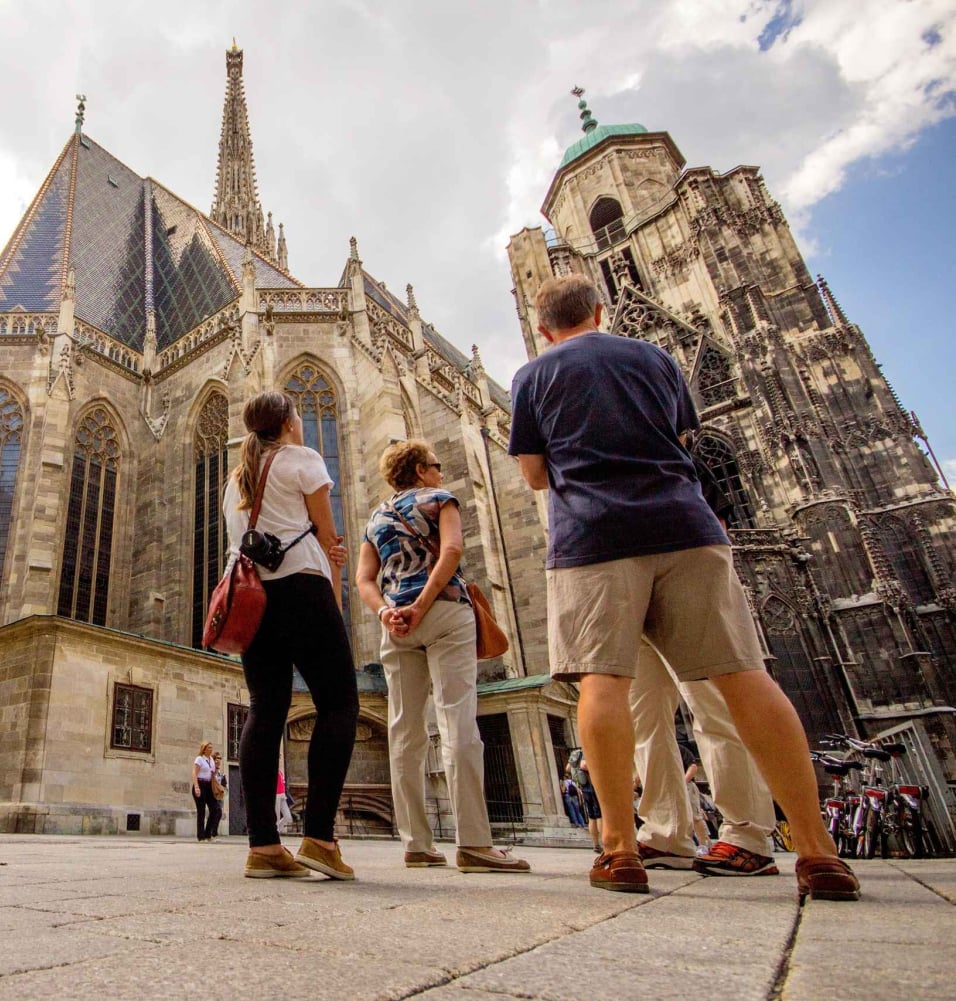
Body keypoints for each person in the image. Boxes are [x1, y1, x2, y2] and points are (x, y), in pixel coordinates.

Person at [508, 274, 857, 900]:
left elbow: (534, 475)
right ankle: (817, 850)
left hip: (594, 539)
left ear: (542, 329)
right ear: (599, 312)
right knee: (743, 678)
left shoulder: (533, 376)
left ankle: (620, 850)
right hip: (686, 527)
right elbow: (684, 441)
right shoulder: (657, 358)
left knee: (603, 684)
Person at [357, 440, 530, 874]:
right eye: (435, 465)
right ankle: (473, 842)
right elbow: (452, 552)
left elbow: (363, 579)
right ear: (419, 470)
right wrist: (423, 603)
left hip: (396, 625)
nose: (440, 471)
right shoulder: (440, 499)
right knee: (458, 723)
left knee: (404, 731)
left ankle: (416, 843)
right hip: (445, 612)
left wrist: (387, 612)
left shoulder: (376, 518)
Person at [225, 390, 357, 880]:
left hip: (251, 598)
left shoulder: (236, 478)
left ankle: (263, 846)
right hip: (301, 588)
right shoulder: (302, 458)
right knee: (339, 704)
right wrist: (334, 572)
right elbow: (327, 533)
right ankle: (320, 837)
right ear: (287, 423)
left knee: (265, 710)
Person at [631, 646, 779, 876]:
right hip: (625, 627)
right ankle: (664, 835)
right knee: (643, 722)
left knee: (710, 700)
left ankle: (747, 833)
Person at [191, 742, 221, 842]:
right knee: (201, 811)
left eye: (211, 747)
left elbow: (212, 774)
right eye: (209, 748)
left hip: (209, 785)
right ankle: (201, 836)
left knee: (215, 809)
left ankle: (208, 833)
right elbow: (194, 773)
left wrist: (217, 767)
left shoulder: (211, 760)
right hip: (200, 783)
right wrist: (196, 786)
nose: (211, 749)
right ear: (204, 749)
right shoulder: (199, 759)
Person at [209, 751, 227, 839]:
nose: (218, 760)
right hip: (211, 794)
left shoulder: (220, 772)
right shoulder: (211, 771)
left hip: (219, 795)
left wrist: (223, 784)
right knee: (217, 812)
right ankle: (212, 833)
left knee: (218, 813)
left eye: (220, 758)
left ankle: (212, 833)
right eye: (217, 758)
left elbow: (224, 785)